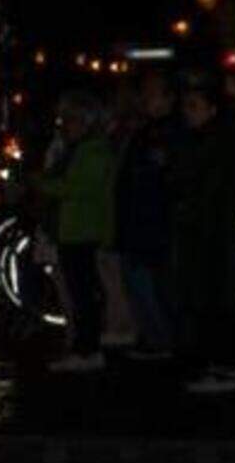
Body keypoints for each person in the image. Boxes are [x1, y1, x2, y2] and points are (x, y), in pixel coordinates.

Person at [163, 72, 235, 396]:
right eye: (186, 106)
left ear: (212, 109)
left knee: (216, 300)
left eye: (194, 106)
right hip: (203, 232)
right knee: (207, 301)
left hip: (211, 233)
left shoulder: (217, 142)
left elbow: (206, 190)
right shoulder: (205, 139)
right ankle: (217, 364)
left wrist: (186, 203)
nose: (188, 112)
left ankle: (225, 367)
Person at [37, 90, 118, 373]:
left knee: (83, 294)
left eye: (69, 120)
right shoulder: (82, 149)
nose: (64, 126)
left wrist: (42, 184)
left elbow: (77, 188)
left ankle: (87, 350)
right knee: (80, 292)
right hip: (73, 229)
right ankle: (85, 348)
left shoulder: (92, 151)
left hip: (81, 230)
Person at [111, 71, 181, 365]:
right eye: (145, 93)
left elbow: (160, 177)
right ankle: (155, 338)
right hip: (138, 219)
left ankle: (163, 339)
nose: (146, 100)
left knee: (149, 283)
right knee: (137, 282)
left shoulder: (168, 132)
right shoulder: (145, 131)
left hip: (152, 221)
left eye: (153, 94)